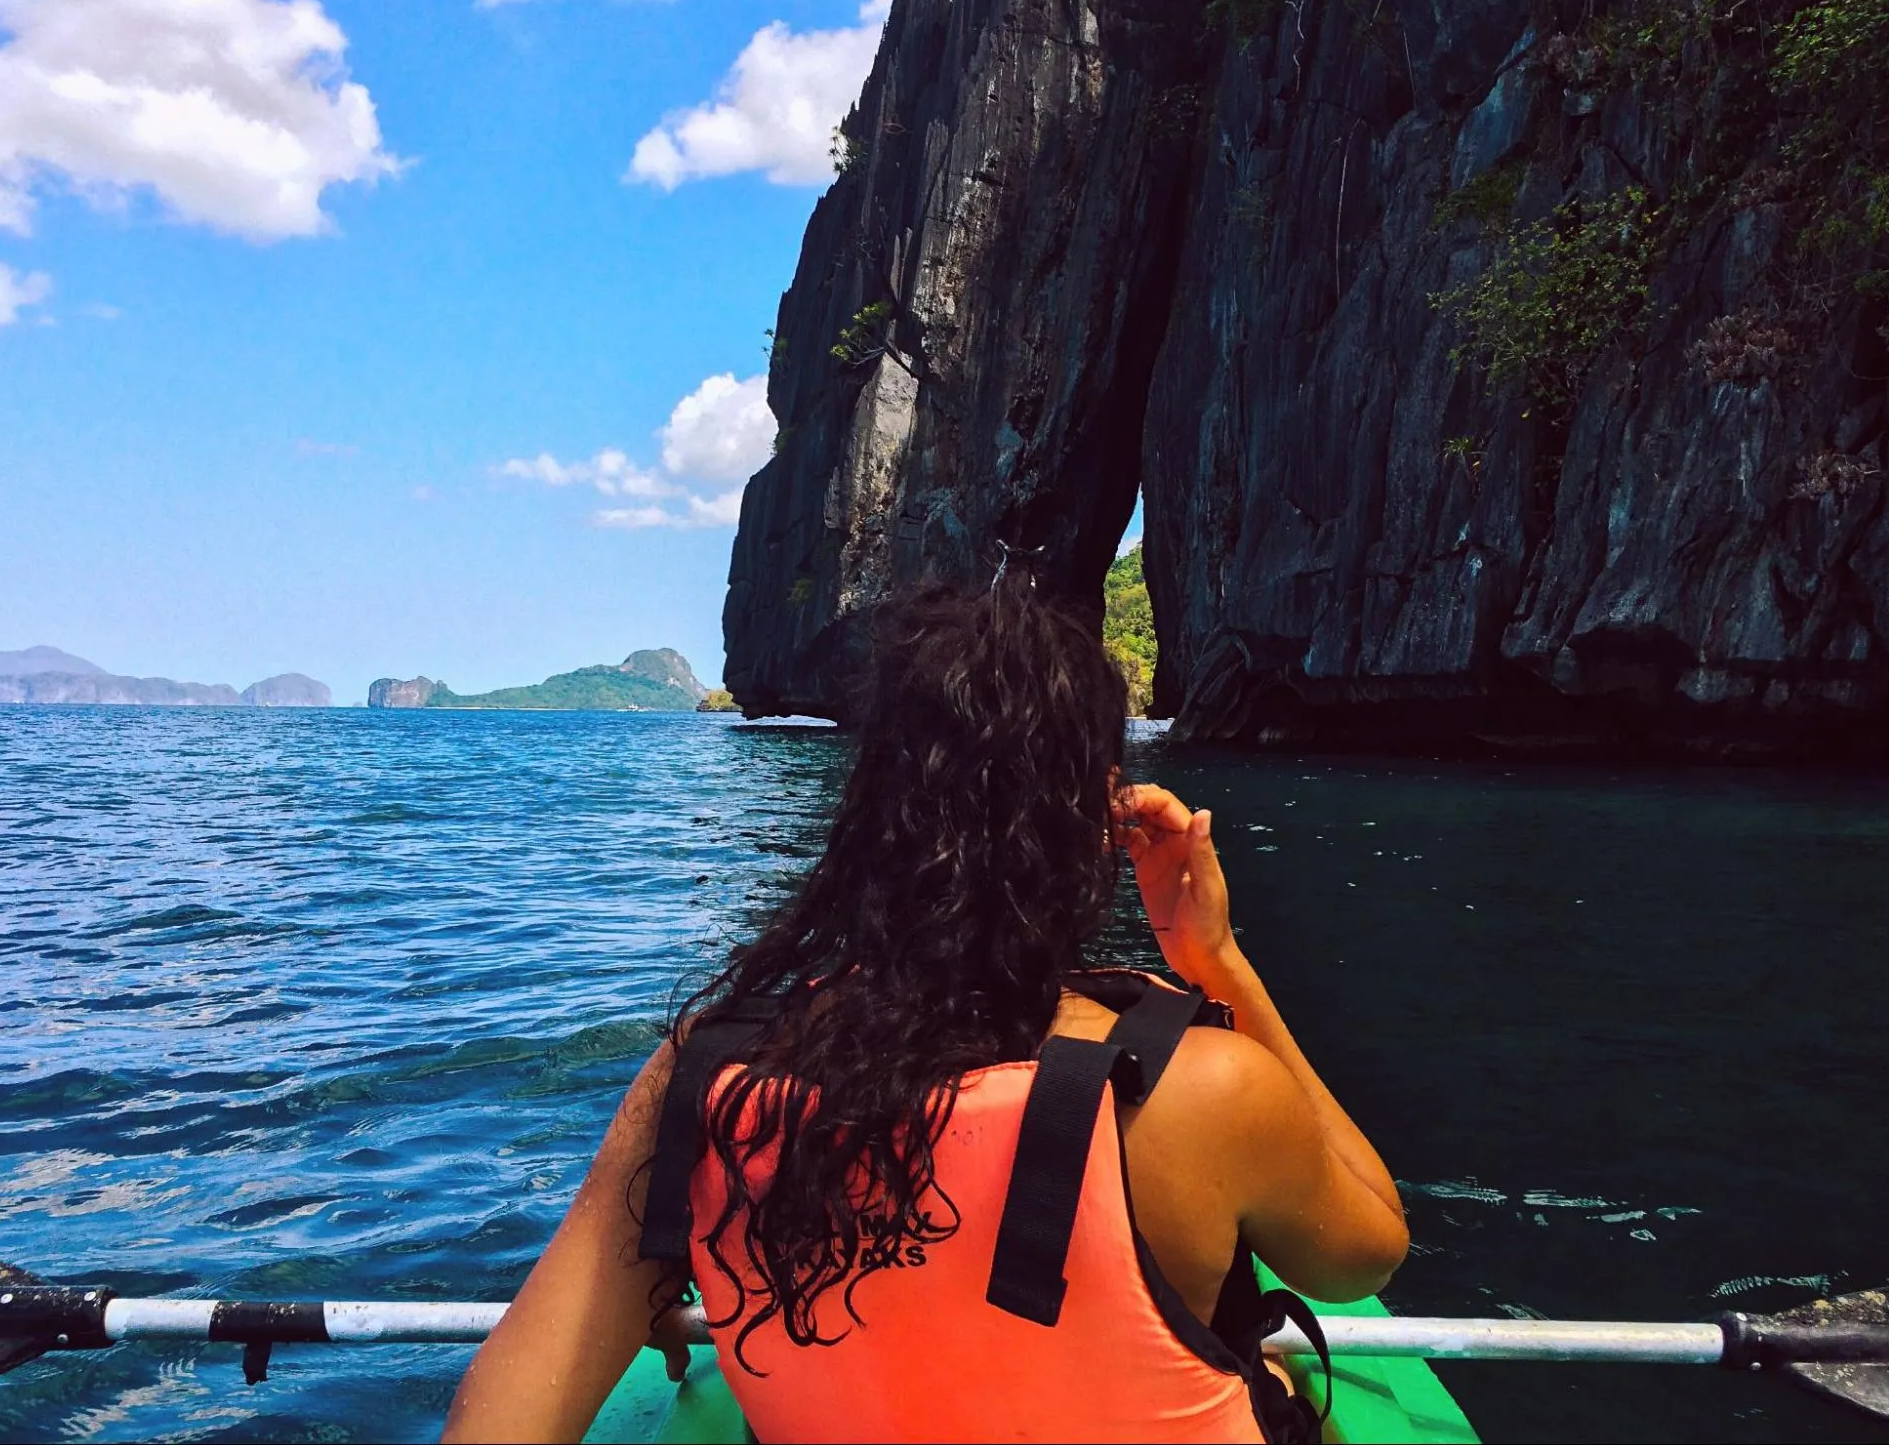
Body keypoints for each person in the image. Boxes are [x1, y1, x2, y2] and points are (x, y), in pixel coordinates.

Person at [442, 573, 1408, 1444]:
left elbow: (503, 1419)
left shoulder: (700, 1081)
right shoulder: (1198, 1093)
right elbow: (1365, 1253)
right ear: (1096, 829)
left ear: (866, 818)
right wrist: (1213, 956)